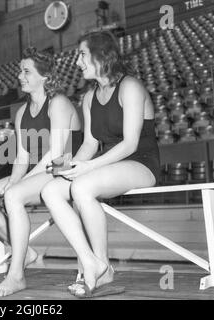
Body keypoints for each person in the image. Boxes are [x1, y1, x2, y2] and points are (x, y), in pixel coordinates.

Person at [41, 31, 160, 297]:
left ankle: (100, 265)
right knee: (50, 191)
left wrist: (88, 168)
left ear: (101, 55)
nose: (77, 62)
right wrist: (69, 167)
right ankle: (93, 263)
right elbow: (89, 145)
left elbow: (130, 144)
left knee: (82, 188)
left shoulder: (130, 86)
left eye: (82, 55)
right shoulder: (89, 98)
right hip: (108, 167)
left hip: (141, 163)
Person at [0, 47, 82, 297]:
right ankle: (24, 251)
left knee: (13, 196)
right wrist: (15, 180)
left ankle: (16, 275)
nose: (20, 76)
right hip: (37, 172)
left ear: (45, 76)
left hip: (64, 169)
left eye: (26, 71)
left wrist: (18, 185)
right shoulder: (21, 112)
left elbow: (56, 155)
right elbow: (21, 157)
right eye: (20, 71)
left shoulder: (59, 103)